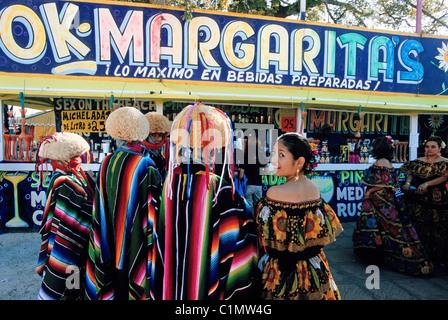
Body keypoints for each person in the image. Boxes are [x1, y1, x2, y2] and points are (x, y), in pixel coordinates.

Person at [151, 103, 258, 300]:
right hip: (208, 285)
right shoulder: (220, 189)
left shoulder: (168, 183)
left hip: (170, 285)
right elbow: (241, 233)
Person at [85, 107, 162, 300]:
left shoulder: (106, 162)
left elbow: (100, 204)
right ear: (139, 135)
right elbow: (154, 211)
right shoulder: (145, 165)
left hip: (107, 243)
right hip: (136, 247)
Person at [256, 132, 342, 300]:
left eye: (281, 155)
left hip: (281, 271)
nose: (274, 160)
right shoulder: (314, 188)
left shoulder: (275, 192)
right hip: (313, 268)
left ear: (300, 162)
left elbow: (264, 233)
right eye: (274, 154)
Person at [352, 136, 434, 277]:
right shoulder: (388, 162)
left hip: (380, 200)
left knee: (385, 226)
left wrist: (370, 191)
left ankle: (380, 253)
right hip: (385, 199)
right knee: (386, 226)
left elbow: (385, 182)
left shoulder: (380, 161)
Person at [35, 132, 95, 300]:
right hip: (70, 246)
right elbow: (69, 222)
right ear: (63, 160)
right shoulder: (65, 183)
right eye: (74, 157)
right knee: (70, 288)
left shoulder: (74, 177)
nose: (78, 160)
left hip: (74, 245)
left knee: (75, 287)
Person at [401, 136, 448, 268]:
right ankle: (420, 253)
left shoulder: (444, 162)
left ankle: (438, 257)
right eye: (427, 147)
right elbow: (411, 172)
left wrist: (427, 183)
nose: (429, 150)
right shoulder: (419, 161)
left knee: (436, 225)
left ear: (439, 148)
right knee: (418, 222)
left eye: (433, 147)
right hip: (419, 197)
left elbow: (444, 177)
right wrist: (408, 183)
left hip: (437, 198)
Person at [239, 136, 268, 213]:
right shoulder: (262, 157)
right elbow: (267, 172)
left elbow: (241, 176)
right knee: (258, 206)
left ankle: (250, 222)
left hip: (249, 186)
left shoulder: (244, 157)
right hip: (259, 186)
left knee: (249, 207)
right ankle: (257, 223)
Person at [143, 112, 171, 178]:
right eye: (153, 135)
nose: (158, 139)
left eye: (160, 135)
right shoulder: (141, 157)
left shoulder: (162, 158)